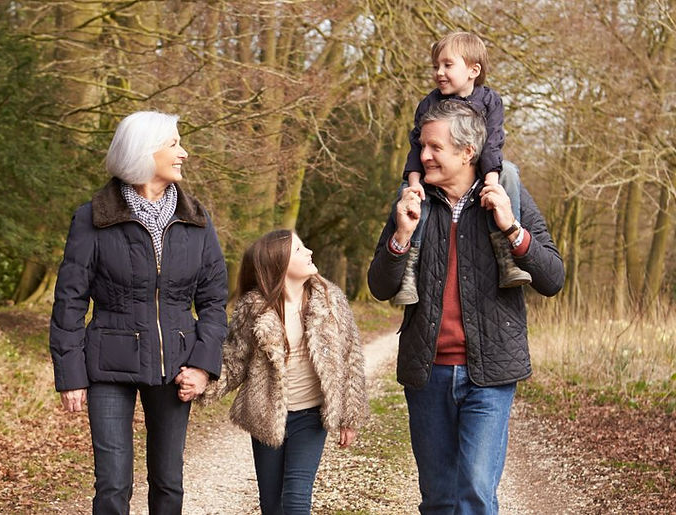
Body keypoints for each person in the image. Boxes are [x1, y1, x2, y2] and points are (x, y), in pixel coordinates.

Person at [367, 100, 564, 514]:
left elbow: (553, 278)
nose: (423, 156)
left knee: (475, 489)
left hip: (490, 373)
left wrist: (513, 228)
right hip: (427, 372)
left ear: (467, 152)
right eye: (422, 146)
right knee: (438, 498)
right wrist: (401, 235)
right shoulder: (412, 201)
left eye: (435, 148)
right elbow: (380, 286)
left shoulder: (509, 194)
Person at [49, 111, 228, 515]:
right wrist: (71, 375)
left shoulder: (197, 220)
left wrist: (202, 366)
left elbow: (215, 302)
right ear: (144, 153)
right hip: (107, 366)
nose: (183, 153)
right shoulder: (92, 218)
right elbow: (70, 301)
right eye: (173, 144)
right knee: (112, 485)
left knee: (168, 483)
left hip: (177, 367)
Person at [201, 229, 368, 515]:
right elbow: (234, 360)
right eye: (300, 250)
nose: (310, 252)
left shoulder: (331, 301)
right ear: (279, 263)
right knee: (272, 504)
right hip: (267, 415)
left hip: (311, 416)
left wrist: (350, 416)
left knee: (295, 499)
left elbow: (350, 359)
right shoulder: (254, 308)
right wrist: (200, 385)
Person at [393, 31, 530, 306]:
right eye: (436, 67)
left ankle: (505, 250)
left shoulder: (490, 101)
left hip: (482, 170)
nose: (439, 73)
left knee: (511, 174)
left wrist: (492, 182)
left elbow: (493, 142)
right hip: (437, 174)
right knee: (410, 193)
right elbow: (416, 146)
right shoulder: (429, 103)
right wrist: (415, 181)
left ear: (473, 70)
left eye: (447, 65)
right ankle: (410, 266)